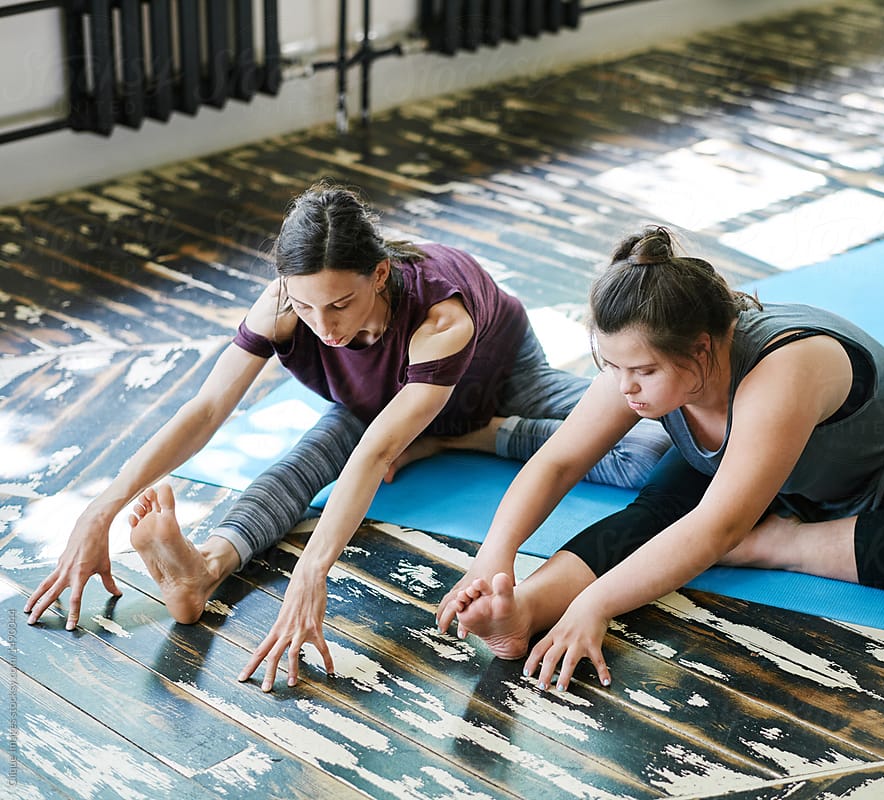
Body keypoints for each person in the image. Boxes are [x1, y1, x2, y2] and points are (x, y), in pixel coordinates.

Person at [24, 183, 669, 691]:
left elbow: (379, 453)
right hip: (382, 403)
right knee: (303, 464)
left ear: (380, 276)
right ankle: (205, 566)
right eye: (305, 306)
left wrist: (314, 568)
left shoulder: (441, 314)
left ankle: (466, 439)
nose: (322, 325)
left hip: (498, 383)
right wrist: (100, 507)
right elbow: (207, 407)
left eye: (340, 305)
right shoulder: (284, 305)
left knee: (646, 451)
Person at [436, 225, 884, 691]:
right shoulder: (637, 363)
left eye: (643, 371)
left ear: (701, 350)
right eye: (610, 366)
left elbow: (716, 525)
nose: (624, 387)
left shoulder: (784, 365)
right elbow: (557, 462)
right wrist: (495, 563)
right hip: (754, 477)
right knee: (656, 513)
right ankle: (525, 611)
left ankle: (778, 542)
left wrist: (597, 603)